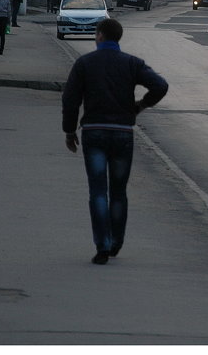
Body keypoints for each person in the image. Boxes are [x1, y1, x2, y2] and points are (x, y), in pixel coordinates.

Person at [62, 18, 169, 265]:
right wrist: (140, 106)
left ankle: (102, 245)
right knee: (118, 191)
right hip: (122, 133)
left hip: (94, 132)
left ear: (100, 36)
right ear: (117, 38)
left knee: (98, 190)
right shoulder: (131, 63)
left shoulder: (85, 64)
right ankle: (116, 242)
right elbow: (160, 85)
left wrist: (69, 131)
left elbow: (70, 100)